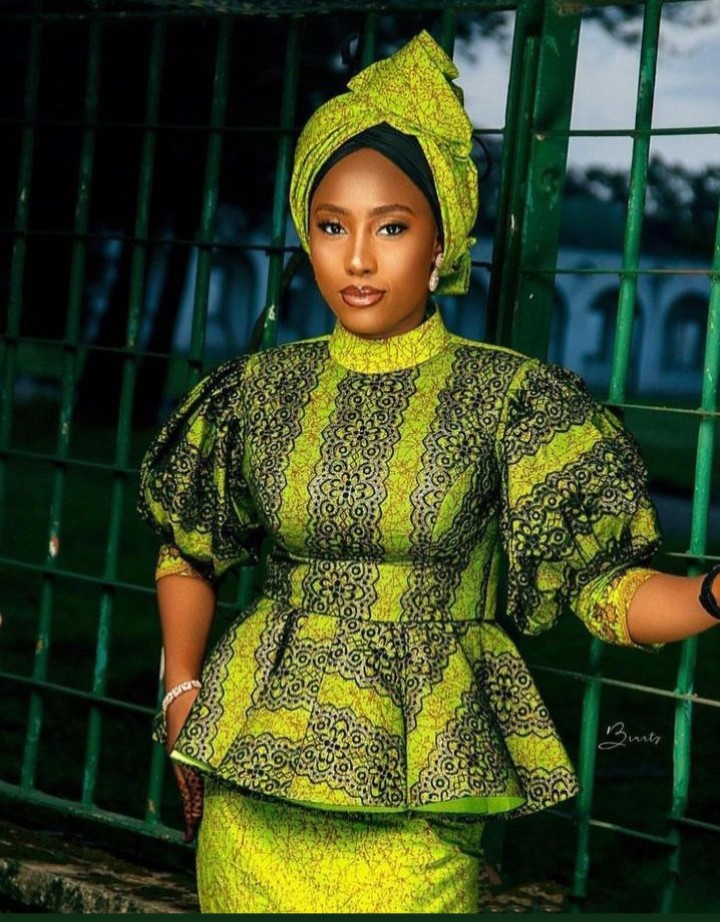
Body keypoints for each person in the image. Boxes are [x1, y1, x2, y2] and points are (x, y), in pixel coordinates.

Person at [137, 30, 720, 914]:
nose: (358, 259)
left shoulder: (511, 401)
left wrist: (711, 596)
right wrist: (182, 687)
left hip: (422, 791)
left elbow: (605, 587)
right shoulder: (256, 390)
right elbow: (189, 545)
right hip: (253, 789)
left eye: (391, 227)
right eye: (331, 226)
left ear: (442, 237)